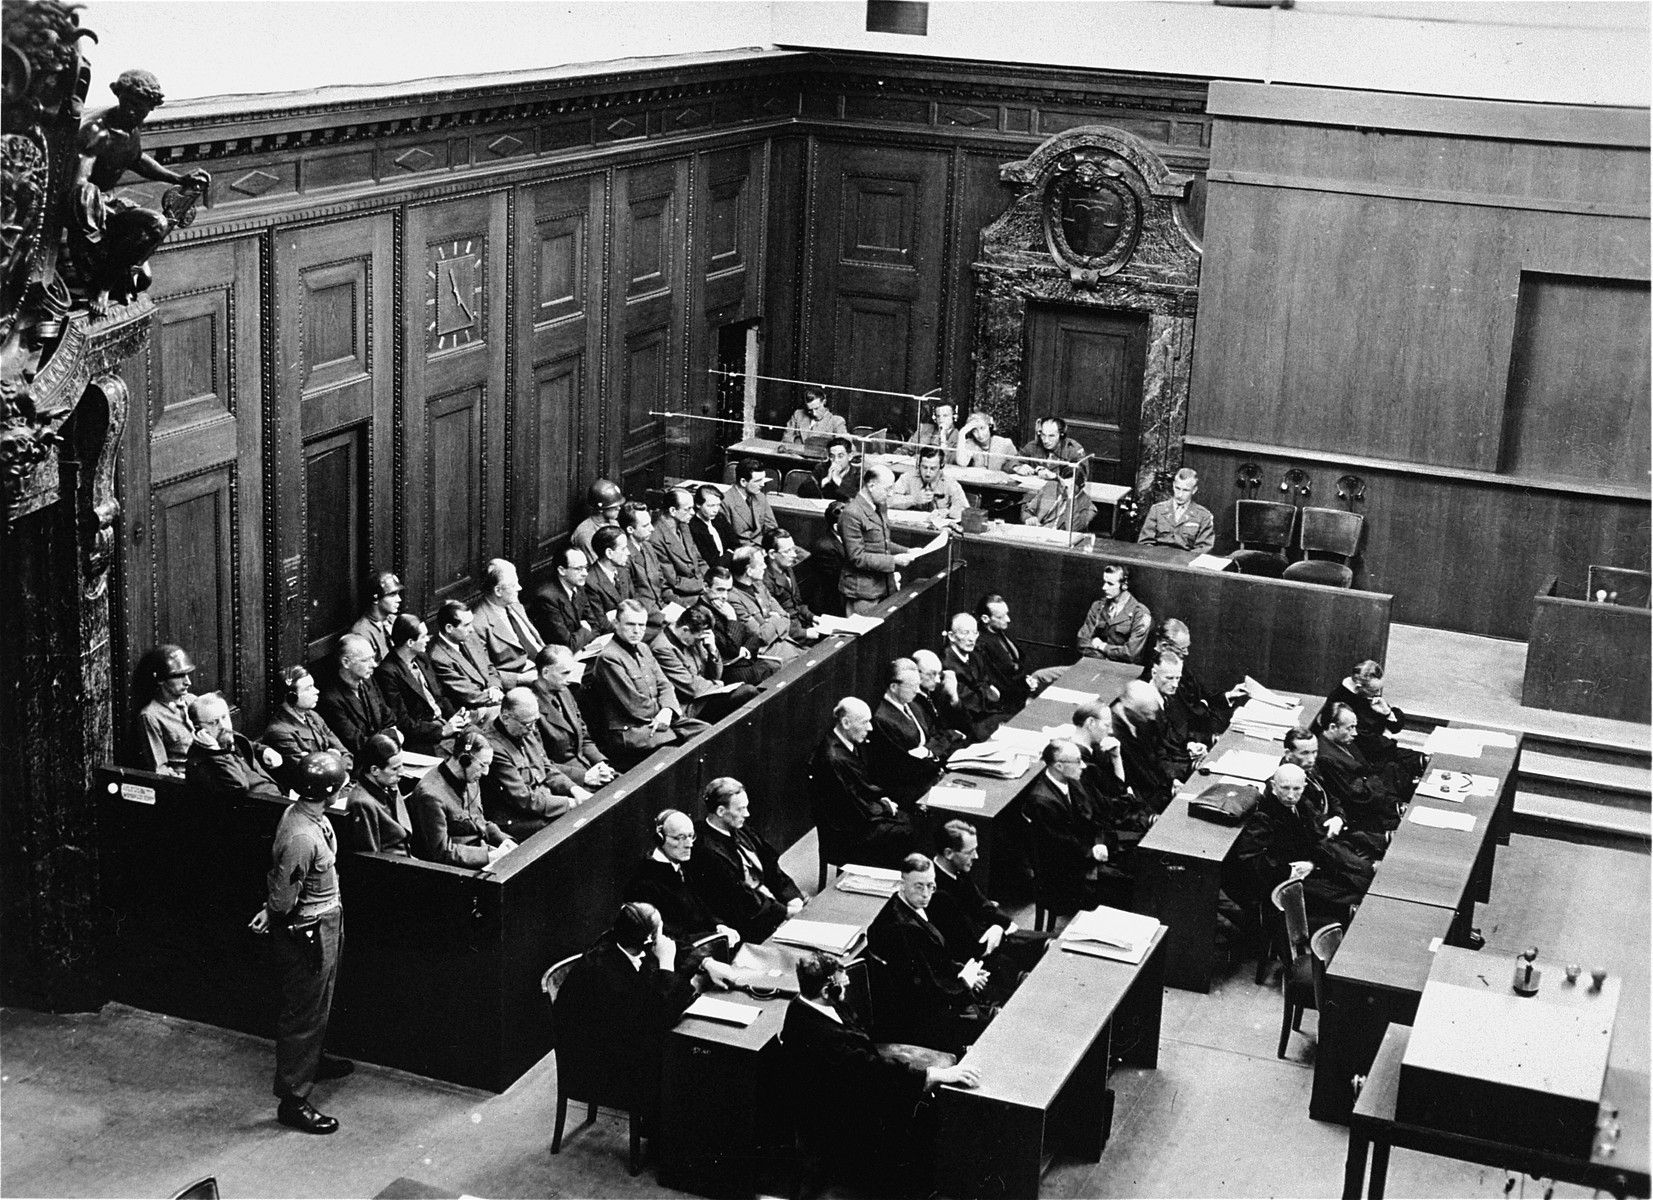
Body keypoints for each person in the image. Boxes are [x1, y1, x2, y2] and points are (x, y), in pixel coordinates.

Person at [782, 952, 980, 1189]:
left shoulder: (808, 1003)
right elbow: (869, 1070)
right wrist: (932, 1074)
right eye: (842, 987)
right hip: (842, 1115)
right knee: (927, 1118)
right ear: (826, 991)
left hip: (853, 1079)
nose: (846, 989)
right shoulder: (824, 1036)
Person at [552, 903, 729, 1139]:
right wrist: (666, 965)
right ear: (649, 941)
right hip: (601, 1060)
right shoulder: (607, 971)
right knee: (689, 1058)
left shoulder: (621, 940)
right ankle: (670, 1138)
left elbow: (674, 946)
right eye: (660, 933)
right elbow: (655, 1020)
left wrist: (705, 962)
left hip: (618, 1032)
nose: (665, 938)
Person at [247, 751, 353, 1135]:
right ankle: (293, 1099)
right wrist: (271, 911)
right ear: (332, 792)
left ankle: (311, 1062)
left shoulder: (307, 817)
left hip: (323, 921)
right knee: (304, 1013)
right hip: (308, 933)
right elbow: (282, 898)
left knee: (318, 1003)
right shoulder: (302, 836)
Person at [866, 854, 992, 1055]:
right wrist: (965, 983)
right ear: (902, 884)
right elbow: (926, 990)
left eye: (930, 886)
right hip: (918, 1018)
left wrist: (963, 972)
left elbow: (935, 960)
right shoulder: (902, 928)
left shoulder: (910, 908)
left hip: (929, 995)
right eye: (919, 886)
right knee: (992, 1028)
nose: (926, 894)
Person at [1230, 763, 1373, 931]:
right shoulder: (1263, 815)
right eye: (1285, 788)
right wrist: (1289, 871)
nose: (1291, 795)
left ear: (1304, 787)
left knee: (1359, 881)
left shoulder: (1301, 805)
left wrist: (1312, 863)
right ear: (1274, 786)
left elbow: (1315, 839)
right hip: (1280, 881)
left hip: (1307, 868)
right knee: (1349, 899)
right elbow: (1250, 861)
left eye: (1296, 789)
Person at [929, 819, 1049, 992]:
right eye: (970, 852)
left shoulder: (957, 871)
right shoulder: (938, 893)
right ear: (948, 853)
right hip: (978, 957)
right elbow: (967, 946)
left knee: (1051, 942)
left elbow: (982, 904)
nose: (976, 856)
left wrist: (1001, 925)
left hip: (994, 939)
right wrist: (997, 929)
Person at [687, 777, 806, 943]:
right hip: (750, 921)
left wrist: (792, 897)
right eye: (741, 809)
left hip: (771, 905)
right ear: (721, 811)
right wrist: (785, 912)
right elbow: (740, 898)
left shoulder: (740, 829)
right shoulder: (706, 851)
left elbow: (771, 867)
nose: (747, 814)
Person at [590, 599, 709, 763]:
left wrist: (667, 710)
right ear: (616, 623)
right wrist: (663, 713)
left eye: (642, 625)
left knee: (707, 732)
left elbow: (665, 684)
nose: (637, 631)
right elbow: (634, 705)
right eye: (630, 624)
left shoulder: (643, 648)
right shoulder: (609, 657)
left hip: (659, 719)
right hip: (632, 731)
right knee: (682, 748)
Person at [1023, 740, 1134, 915]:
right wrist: (1094, 852)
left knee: (1136, 862)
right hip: (1065, 878)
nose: (1083, 766)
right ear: (1059, 766)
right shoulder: (1042, 802)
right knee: (1130, 883)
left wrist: (1099, 843)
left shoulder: (1073, 781)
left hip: (1083, 857)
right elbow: (1062, 847)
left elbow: (1093, 818)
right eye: (1077, 761)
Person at [809, 697, 918, 869]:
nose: (870, 727)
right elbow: (852, 806)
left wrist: (882, 800)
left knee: (913, 815)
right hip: (847, 834)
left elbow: (861, 787)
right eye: (865, 722)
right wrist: (885, 808)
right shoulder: (834, 759)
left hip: (857, 816)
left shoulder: (850, 743)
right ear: (846, 723)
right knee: (910, 828)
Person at [626, 808, 742, 948]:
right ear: (660, 839)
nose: (689, 844)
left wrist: (719, 926)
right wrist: (714, 938)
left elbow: (701, 908)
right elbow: (667, 937)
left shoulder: (680, 866)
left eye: (690, 836)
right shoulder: (644, 884)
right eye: (680, 838)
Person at [482, 687, 586, 840]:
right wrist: (568, 803)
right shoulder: (494, 748)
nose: (531, 729)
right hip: (518, 817)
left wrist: (575, 789)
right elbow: (523, 799)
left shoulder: (525, 728)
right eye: (526, 724)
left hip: (542, 802)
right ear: (506, 718)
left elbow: (546, 767)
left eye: (535, 721)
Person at [408, 729, 516, 868]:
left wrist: (504, 841)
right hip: (454, 869)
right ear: (464, 760)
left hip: (478, 854)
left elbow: (479, 821)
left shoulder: (470, 778)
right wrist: (489, 856)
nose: (486, 772)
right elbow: (441, 852)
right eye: (482, 765)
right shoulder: (431, 795)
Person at [375, 614, 470, 755]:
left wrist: (455, 717)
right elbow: (403, 722)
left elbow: (440, 696)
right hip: (425, 739)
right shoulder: (387, 672)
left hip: (445, 724)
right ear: (410, 643)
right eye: (424, 636)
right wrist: (442, 730)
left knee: (479, 740)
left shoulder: (421, 658)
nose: (428, 639)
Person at [649, 605, 759, 723]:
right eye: (698, 639)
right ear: (685, 630)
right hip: (691, 705)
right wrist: (721, 686)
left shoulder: (693, 638)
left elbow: (715, 675)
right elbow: (691, 687)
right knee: (748, 692)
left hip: (706, 693)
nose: (700, 642)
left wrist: (712, 650)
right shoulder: (662, 648)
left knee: (751, 692)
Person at [1315, 659, 1424, 777]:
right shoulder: (1342, 703)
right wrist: (1387, 735)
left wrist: (1387, 713)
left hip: (1382, 749)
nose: (1378, 694)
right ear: (1358, 687)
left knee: (1423, 761)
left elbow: (1396, 726)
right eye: (1375, 690)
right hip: (1369, 758)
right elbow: (1367, 743)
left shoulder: (1367, 694)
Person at [1316, 703, 1407, 845]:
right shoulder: (1326, 758)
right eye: (1350, 728)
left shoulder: (1345, 740)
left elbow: (1367, 773)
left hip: (1374, 800)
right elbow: (1357, 796)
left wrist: (1372, 781)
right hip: (1360, 814)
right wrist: (1374, 782)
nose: (1355, 733)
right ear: (1333, 727)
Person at [1141, 618, 1244, 743]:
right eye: (1182, 649)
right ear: (1164, 646)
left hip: (1202, 728)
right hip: (1193, 739)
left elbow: (1202, 692)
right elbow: (1180, 724)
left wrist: (1228, 696)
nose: (1187, 653)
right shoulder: (1158, 677)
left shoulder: (1176, 662)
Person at [531, 644, 618, 789]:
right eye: (564, 673)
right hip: (567, 781)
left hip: (589, 767)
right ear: (545, 673)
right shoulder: (531, 707)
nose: (570, 679)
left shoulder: (564, 693)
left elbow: (584, 738)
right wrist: (584, 777)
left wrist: (601, 763)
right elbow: (542, 763)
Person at [838, 464, 918, 615]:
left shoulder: (880, 506)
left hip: (883, 585)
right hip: (862, 592)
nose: (891, 494)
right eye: (888, 489)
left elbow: (883, 543)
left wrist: (907, 551)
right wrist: (894, 560)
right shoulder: (852, 513)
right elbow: (857, 557)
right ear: (871, 485)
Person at [261, 666, 354, 793]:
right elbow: (311, 778)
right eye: (309, 688)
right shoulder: (279, 732)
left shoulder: (313, 716)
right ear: (291, 697)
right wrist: (334, 756)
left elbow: (346, 755)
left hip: (336, 787)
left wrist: (335, 761)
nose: (316, 691)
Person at [1071, 701, 1155, 844]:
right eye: (1107, 725)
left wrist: (1116, 758)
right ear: (1090, 723)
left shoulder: (1096, 749)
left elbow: (1117, 788)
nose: (1110, 731)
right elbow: (1109, 806)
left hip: (1116, 816)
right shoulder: (1080, 764)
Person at [869, 657, 947, 807]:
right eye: (912, 686)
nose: (917, 690)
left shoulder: (914, 706)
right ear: (893, 687)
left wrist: (928, 752)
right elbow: (902, 765)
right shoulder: (881, 719)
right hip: (910, 788)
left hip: (931, 774)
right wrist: (933, 754)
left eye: (918, 685)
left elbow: (936, 736)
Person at [185, 693, 286, 803]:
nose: (223, 725)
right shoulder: (200, 761)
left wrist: (264, 751)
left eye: (224, 717)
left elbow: (245, 744)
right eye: (214, 722)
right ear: (198, 729)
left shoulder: (224, 738)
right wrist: (216, 752)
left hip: (277, 797)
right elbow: (238, 785)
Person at [317, 634, 404, 757]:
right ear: (346, 663)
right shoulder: (330, 699)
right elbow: (357, 743)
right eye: (365, 660)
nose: (373, 664)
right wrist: (392, 736)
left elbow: (389, 717)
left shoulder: (369, 680)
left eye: (373, 658)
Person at [975, 594, 1065, 710]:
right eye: (1001, 617)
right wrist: (1026, 688)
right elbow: (999, 681)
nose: (1008, 619)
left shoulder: (1000, 631)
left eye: (1006, 614)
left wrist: (1027, 680)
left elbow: (1019, 660)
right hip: (1010, 698)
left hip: (1022, 685)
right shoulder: (981, 644)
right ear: (985, 619)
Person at [470, 557, 546, 688]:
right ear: (498, 591)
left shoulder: (514, 604)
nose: (520, 588)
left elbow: (534, 640)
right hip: (521, 680)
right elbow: (484, 672)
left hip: (543, 664)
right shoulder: (478, 624)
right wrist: (521, 679)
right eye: (513, 585)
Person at [425, 599, 505, 722]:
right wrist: (497, 697)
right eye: (466, 625)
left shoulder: (470, 637)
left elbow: (489, 667)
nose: (472, 629)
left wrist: (495, 688)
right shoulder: (438, 657)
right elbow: (469, 696)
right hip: (472, 712)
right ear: (449, 628)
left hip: (490, 698)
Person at [696, 565, 777, 686]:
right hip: (726, 672)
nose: (724, 596)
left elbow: (753, 636)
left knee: (777, 667)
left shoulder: (725, 605)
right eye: (720, 589)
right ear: (706, 587)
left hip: (746, 662)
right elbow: (731, 651)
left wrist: (744, 650)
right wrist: (731, 618)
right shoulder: (700, 615)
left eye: (728, 590)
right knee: (770, 672)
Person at [1109, 680, 1174, 815]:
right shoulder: (1113, 736)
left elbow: (1158, 754)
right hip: (1142, 806)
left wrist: (1172, 781)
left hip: (1159, 792)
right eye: (1146, 713)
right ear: (1129, 709)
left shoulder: (1144, 721)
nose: (1151, 718)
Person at [941, 612, 1009, 739]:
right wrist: (990, 694)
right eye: (965, 633)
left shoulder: (975, 654)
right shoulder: (946, 664)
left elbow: (987, 682)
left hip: (988, 713)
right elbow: (973, 704)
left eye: (975, 633)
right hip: (971, 724)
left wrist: (989, 693)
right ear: (951, 636)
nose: (971, 638)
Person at [728, 546, 800, 664]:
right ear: (749, 571)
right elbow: (761, 637)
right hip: (770, 656)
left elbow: (786, 616)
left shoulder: (759, 585)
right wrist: (775, 619)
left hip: (787, 643)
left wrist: (769, 623)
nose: (765, 567)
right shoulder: (733, 599)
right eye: (761, 564)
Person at [342, 734, 411, 855]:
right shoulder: (362, 803)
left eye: (402, 766)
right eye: (395, 769)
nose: (402, 773)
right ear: (374, 770)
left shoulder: (389, 782)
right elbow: (371, 856)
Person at [134, 643, 198, 774]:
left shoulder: (192, 700)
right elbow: (160, 769)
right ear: (160, 679)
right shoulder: (150, 715)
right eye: (179, 676)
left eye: (187, 674)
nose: (188, 682)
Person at [1146, 648, 1201, 785]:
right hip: (1166, 777)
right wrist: (1185, 769)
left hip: (1179, 763)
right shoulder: (1146, 709)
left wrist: (1191, 744)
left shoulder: (1170, 695)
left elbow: (1179, 731)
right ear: (1154, 673)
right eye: (1169, 678)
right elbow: (1155, 759)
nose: (1175, 684)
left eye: (1178, 678)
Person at [1077, 564, 1153, 662]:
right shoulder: (1098, 607)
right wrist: (1103, 659)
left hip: (1123, 672)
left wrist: (1102, 646)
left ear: (1124, 585)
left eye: (1110, 584)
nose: (1104, 587)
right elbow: (1082, 642)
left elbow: (1131, 653)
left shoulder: (1140, 613)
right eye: (1104, 582)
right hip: (1095, 663)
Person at [529, 547, 600, 652]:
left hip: (582, 650)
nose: (585, 573)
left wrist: (582, 633)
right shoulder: (546, 598)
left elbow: (595, 626)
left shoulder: (578, 586)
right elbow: (566, 645)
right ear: (562, 570)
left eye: (585, 567)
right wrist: (585, 629)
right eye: (578, 569)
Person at [650, 486, 710, 605]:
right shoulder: (656, 538)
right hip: (684, 595)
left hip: (701, 586)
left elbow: (699, 560)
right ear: (672, 511)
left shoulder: (683, 525)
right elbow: (673, 581)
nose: (692, 513)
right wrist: (703, 585)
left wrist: (711, 579)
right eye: (687, 509)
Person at [1136, 466, 1215, 554]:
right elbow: (1145, 542)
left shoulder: (1203, 516)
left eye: (1185, 490)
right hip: (1157, 560)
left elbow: (1203, 548)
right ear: (1173, 485)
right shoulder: (1157, 510)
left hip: (1184, 564)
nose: (1180, 495)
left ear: (1194, 490)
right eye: (1177, 488)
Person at [914, 648, 975, 751]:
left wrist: (954, 698)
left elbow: (967, 726)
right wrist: (952, 734)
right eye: (932, 674)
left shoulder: (939, 691)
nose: (937, 680)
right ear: (916, 672)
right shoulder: (911, 700)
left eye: (939, 674)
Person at [762, 528, 817, 640]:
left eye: (793, 549)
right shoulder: (765, 581)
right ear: (772, 554)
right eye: (787, 551)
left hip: (802, 624)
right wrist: (804, 633)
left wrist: (813, 617)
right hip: (789, 635)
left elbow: (798, 604)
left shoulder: (787, 568)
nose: (794, 555)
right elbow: (777, 621)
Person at [888, 446, 967, 524]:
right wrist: (913, 499)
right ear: (919, 464)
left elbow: (964, 510)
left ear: (941, 466)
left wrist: (947, 512)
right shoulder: (907, 477)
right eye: (924, 467)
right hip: (911, 525)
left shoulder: (950, 483)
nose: (928, 473)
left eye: (933, 468)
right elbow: (888, 501)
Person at [621, 502, 673, 615]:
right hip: (645, 617)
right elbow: (632, 600)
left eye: (650, 523)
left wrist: (681, 605)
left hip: (663, 608)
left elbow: (662, 583)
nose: (652, 529)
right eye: (645, 526)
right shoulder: (624, 557)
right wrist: (662, 616)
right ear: (630, 529)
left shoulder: (647, 546)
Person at [584, 525, 637, 631]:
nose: (628, 552)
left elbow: (633, 603)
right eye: (623, 548)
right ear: (609, 553)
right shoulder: (590, 582)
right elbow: (602, 624)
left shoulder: (622, 570)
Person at [1021, 462, 1096, 532]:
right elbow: (1027, 509)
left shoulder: (1089, 508)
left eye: (1069, 487)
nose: (1063, 489)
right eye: (1062, 484)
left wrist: (1070, 498)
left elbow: (1073, 528)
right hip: (1037, 532)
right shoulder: (1051, 486)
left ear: (1081, 486)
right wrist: (1028, 518)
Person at [348, 571, 404, 663]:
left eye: (398, 594)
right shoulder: (361, 633)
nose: (399, 599)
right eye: (392, 595)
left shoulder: (394, 620)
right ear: (376, 598)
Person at [723, 459, 780, 548]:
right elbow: (728, 538)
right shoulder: (726, 501)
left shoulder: (760, 496)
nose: (762, 485)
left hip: (764, 544)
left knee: (802, 555)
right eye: (757, 481)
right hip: (743, 548)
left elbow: (772, 527)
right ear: (743, 482)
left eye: (763, 480)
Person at [1012, 416, 1086, 479]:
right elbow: (1010, 462)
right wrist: (1018, 468)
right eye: (1043, 435)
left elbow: (1078, 477)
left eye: (1051, 436)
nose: (1046, 441)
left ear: (1061, 435)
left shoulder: (1073, 450)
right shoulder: (1033, 446)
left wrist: (1053, 476)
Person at [570, 478, 624, 562]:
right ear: (600, 509)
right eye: (614, 507)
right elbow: (597, 566)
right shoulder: (585, 534)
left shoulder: (613, 523)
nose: (619, 508)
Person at [689, 484, 736, 570]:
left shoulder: (719, 517)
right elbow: (712, 562)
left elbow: (735, 543)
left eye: (718, 505)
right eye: (711, 506)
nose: (715, 510)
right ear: (698, 505)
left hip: (729, 566)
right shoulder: (693, 527)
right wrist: (730, 552)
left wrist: (730, 553)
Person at [784, 386, 850, 443]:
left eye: (817, 408)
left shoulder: (836, 421)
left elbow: (845, 446)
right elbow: (786, 440)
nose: (814, 414)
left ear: (824, 402)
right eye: (810, 410)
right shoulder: (798, 415)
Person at [815, 435, 861, 501]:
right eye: (832, 456)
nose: (836, 460)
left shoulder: (859, 474)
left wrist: (838, 480)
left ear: (850, 456)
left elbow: (859, 499)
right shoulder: (821, 469)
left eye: (840, 456)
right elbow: (803, 491)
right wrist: (826, 479)